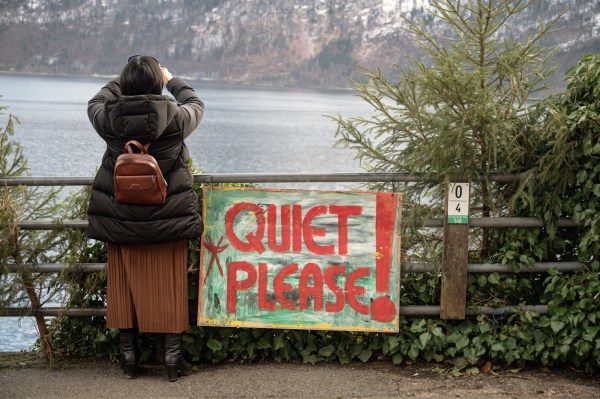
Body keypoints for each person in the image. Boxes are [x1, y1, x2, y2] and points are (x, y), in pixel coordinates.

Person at [87, 55, 204, 382]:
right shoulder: (177, 118)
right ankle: (171, 361)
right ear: (157, 82)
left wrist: (118, 84)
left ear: (124, 83)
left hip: (120, 218)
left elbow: (95, 102)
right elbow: (195, 102)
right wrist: (171, 80)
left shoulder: (110, 118)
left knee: (124, 288)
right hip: (168, 219)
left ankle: (128, 359)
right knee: (169, 287)